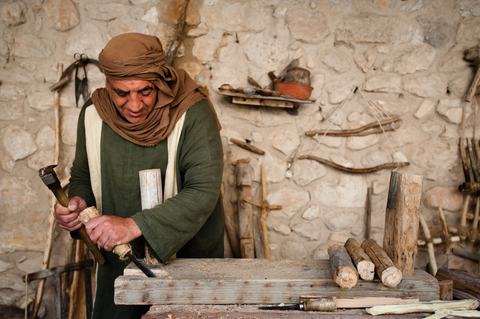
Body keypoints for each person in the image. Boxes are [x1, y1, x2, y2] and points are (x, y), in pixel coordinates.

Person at [53, 33, 225, 319]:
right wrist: (78, 203)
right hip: (118, 254)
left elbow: (202, 192)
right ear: (108, 85)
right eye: (122, 93)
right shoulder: (93, 114)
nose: (134, 105)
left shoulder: (193, 112)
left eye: (145, 91)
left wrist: (133, 224)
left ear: (159, 80)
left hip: (187, 258)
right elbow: (82, 173)